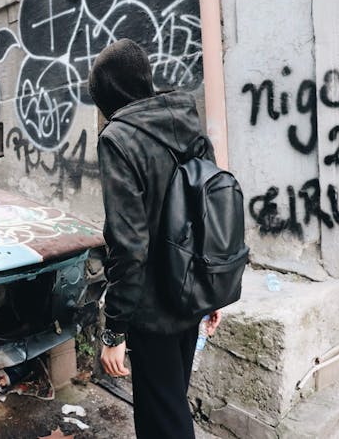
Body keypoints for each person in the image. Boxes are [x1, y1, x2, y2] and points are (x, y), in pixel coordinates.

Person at [89, 39, 222, 439]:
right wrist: (211, 293)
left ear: (109, 92)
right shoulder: (188, 124)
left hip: (154, 308)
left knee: (163, 421)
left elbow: (129, 247)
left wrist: (114, 331)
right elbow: (210, 215)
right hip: (191, 294)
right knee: (172, 402)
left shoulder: (118, 139)